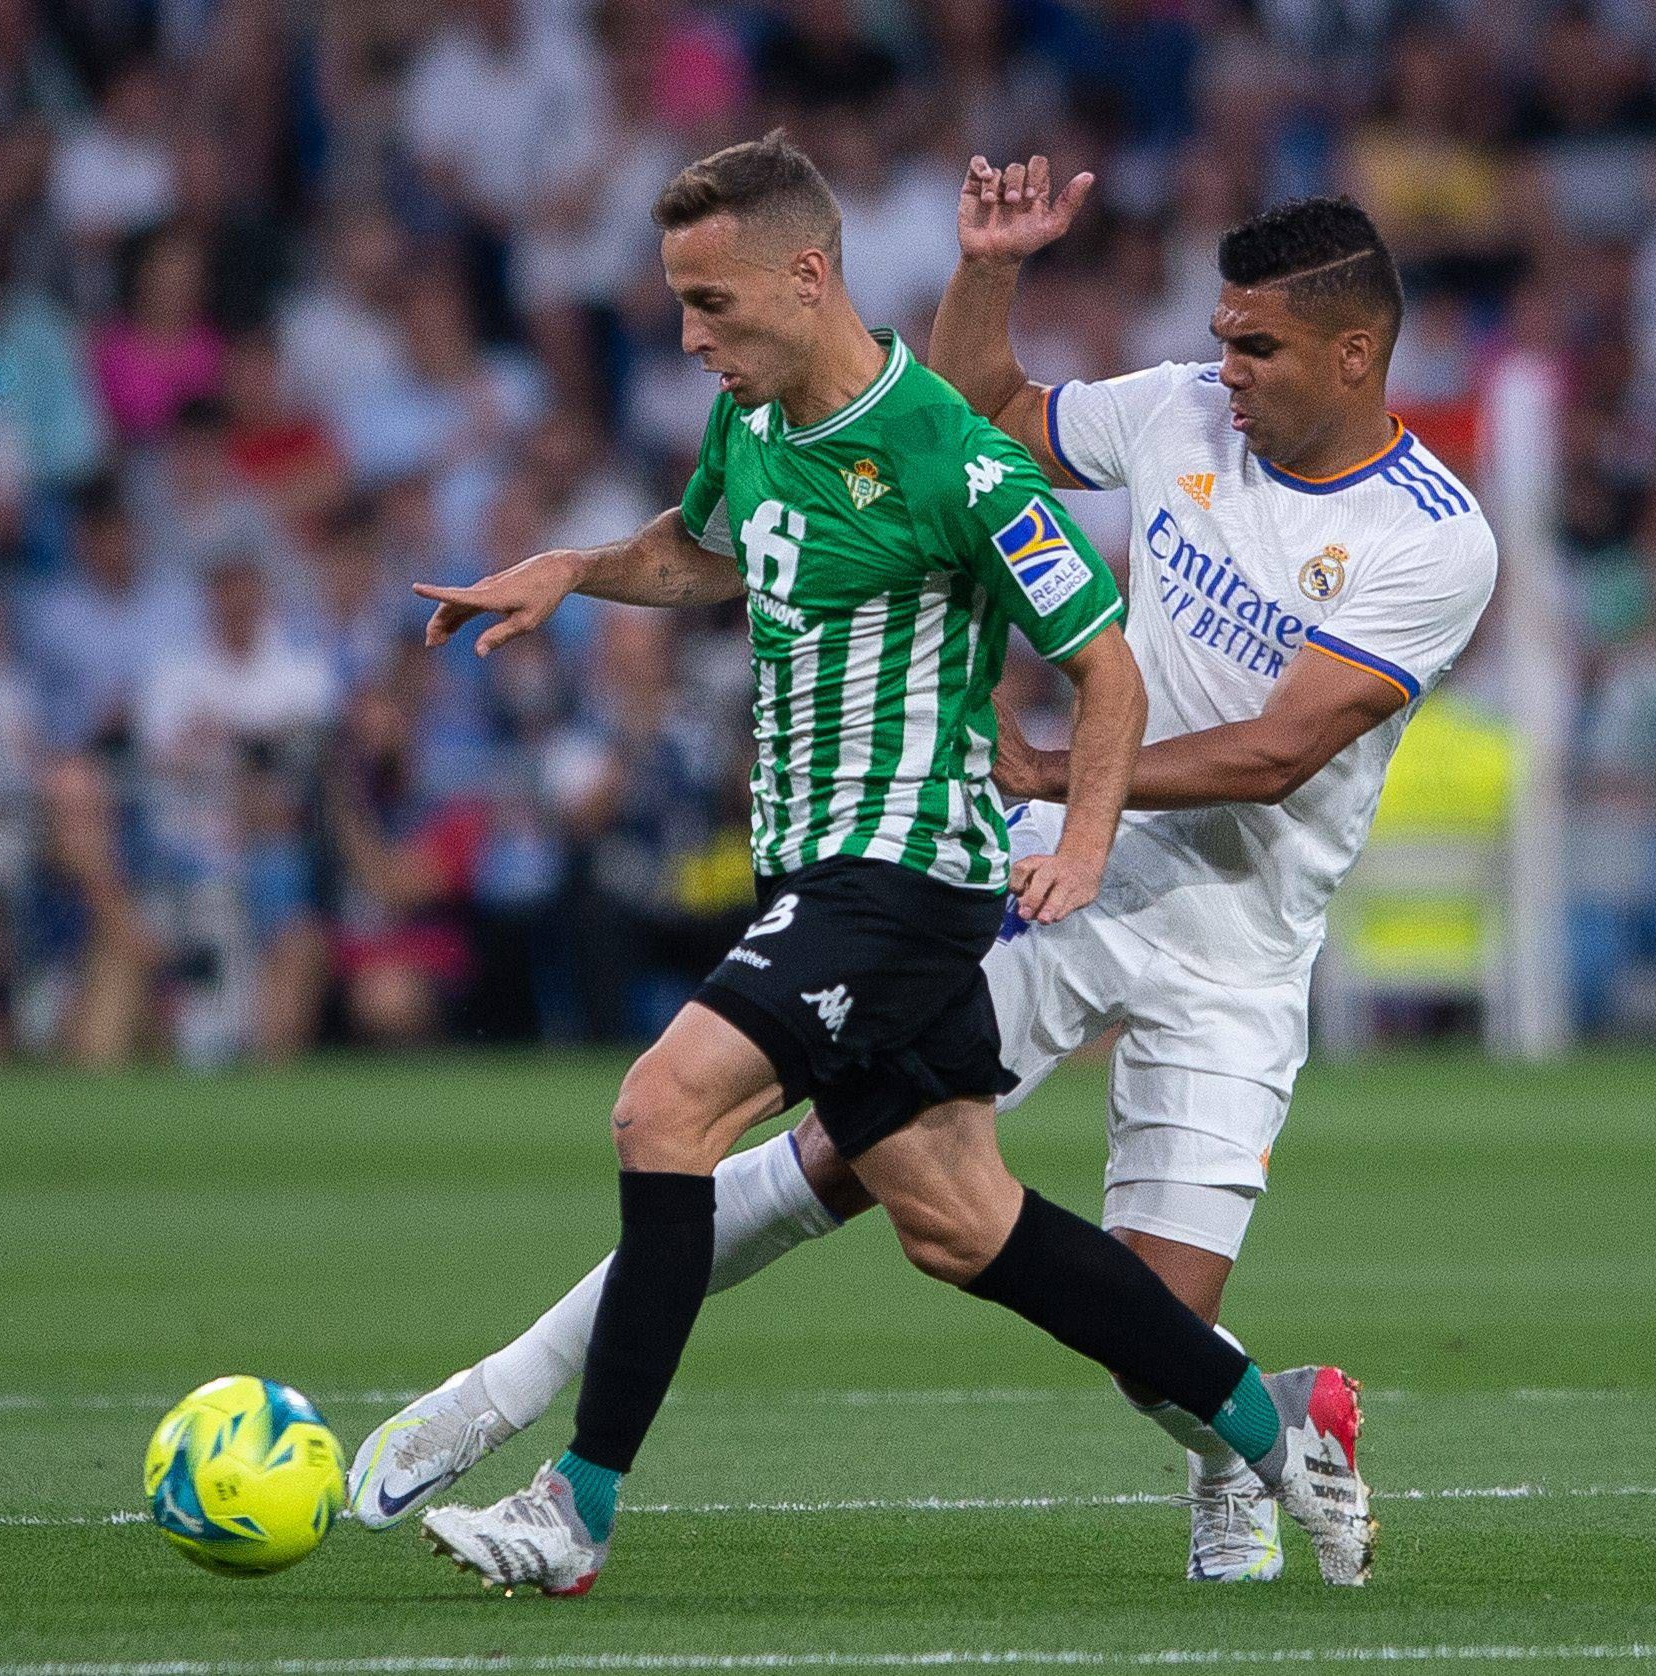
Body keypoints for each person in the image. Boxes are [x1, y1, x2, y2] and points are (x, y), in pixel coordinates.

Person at [352, 173, 1488, 1587]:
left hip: (1231, 942)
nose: (1223, 369)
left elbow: (1272, 753)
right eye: (1219, 336)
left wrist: (1049, 782)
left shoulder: (1430, 538)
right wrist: (989, 267)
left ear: (1352, 355)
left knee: (1154, 1323)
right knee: (850, 1173)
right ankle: (508, 1411)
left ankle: (1261, 1438)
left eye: (1252, 348)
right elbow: (973, 418)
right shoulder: (1180, 410)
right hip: (1035, 883)